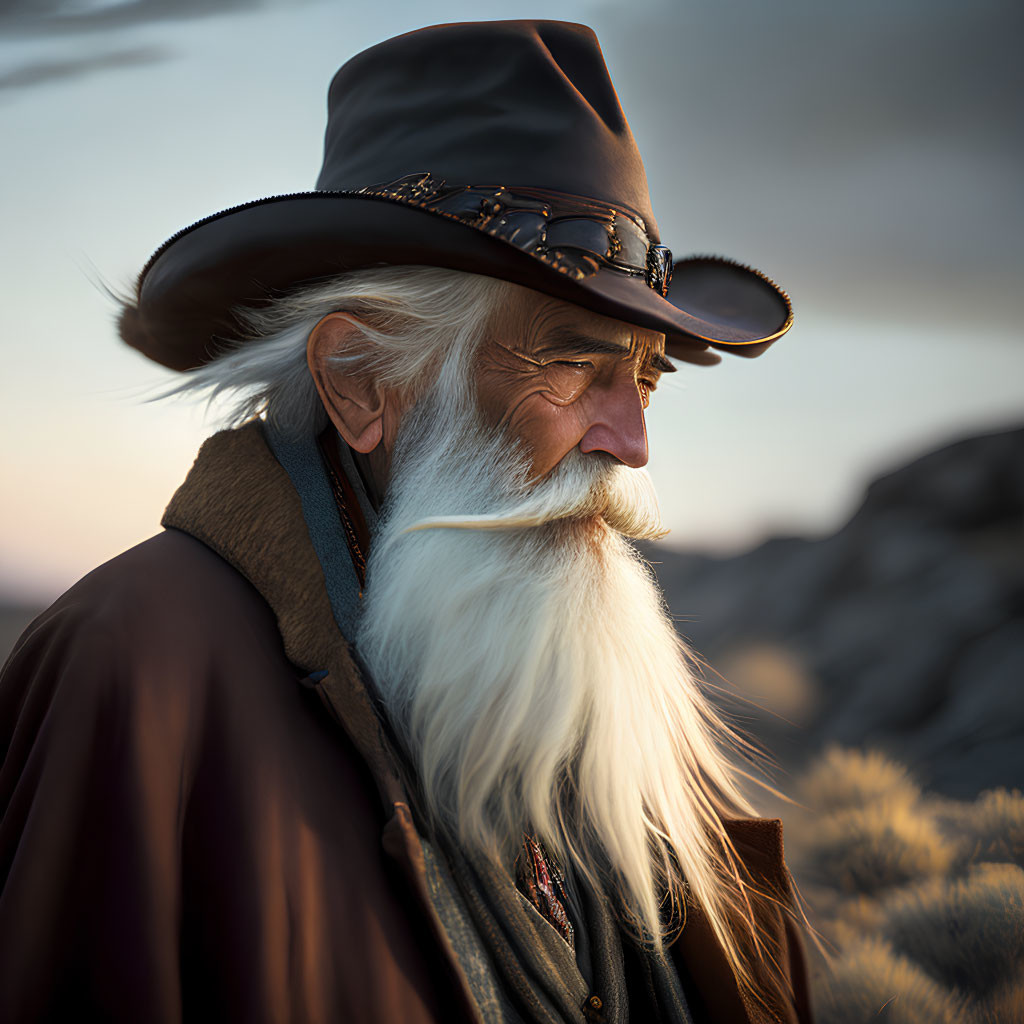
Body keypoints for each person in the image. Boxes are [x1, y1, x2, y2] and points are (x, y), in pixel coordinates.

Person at [0, 19, 812, 1024]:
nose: (632, 440)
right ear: (360, 381)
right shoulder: (133, 669)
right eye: (572, 363)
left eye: (646, 379)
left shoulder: (565, 666)